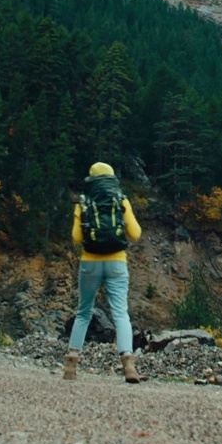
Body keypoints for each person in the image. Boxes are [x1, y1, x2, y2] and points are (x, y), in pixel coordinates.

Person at [63, 161, 144, 383]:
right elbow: (136, 233)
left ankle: (72, 362)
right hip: (117, 262)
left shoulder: (83, 202)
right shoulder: (121, 200)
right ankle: (128, 363)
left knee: (83, 312)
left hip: (90, 261)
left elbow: (77, 238)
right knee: (120, 313)